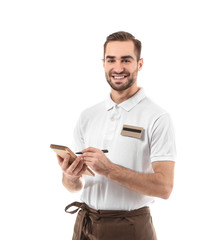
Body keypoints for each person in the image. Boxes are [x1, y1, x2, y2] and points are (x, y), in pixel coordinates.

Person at [57, 31, 176, 240]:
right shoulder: (88, 116)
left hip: (131, 228)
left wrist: (109, 169)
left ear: (139, 64)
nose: (118, 68)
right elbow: (73, 187)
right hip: (85, 225)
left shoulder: (157, 117)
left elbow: (164, 187)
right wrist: (70, 176)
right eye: (111, 60)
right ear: (103, 63)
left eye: (126, 60)